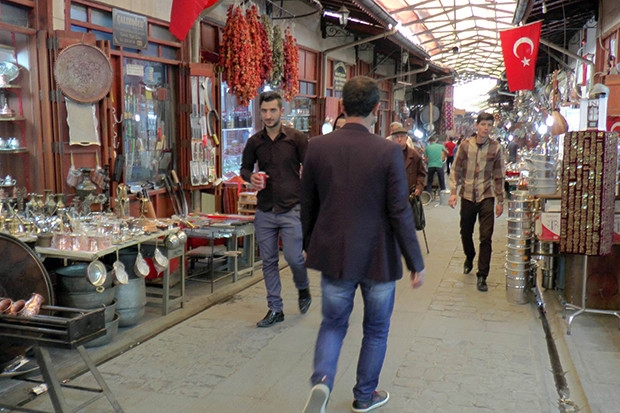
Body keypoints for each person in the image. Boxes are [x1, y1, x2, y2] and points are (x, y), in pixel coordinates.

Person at [301, 76, 426, 413]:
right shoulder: (388, 152)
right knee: (376, 328)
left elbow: (307, 203)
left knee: (332, 324)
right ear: (376, 109)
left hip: (335, 254)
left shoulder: (317, 146)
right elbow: (399, 209)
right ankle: (364, 395)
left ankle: (322, 381)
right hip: (379, 258)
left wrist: (308, 243)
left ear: (343, 107)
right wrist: (415, 261)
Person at [240, 91, 311, 327]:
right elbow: (244, 169)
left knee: (293, 257)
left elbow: (310, 171)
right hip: (265, 210)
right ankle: (275, 309)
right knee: (268, 261)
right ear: (259, 112)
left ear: (282, 111)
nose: (268, 115)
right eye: (264, 111)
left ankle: (303, 288)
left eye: (273, 110)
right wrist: (252, 178)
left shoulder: (297, 139)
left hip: (292, 208)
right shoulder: (254, 142)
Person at [448, 112, 505, 292]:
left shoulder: (496, 148)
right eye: (483, 124)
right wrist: (453, 192)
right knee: (465, 231)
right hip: (467, 195)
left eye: (489, 125)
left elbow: (499, 175)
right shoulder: (465, 146)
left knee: (486, 237)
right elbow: (455, 169)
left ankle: (482, 276)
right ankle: (469, 255)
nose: (486, 128)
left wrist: (500, 200)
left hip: (486, 196)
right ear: (477, 126)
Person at [392, 126, 426, 196]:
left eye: (402, 136)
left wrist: (419, 187)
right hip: (393, 193)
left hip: (409, 193)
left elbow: (421, 173)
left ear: (406, 138)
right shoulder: (388, 154)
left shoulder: (414, 155)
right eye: (397, 137)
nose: (399, 139)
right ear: (393, 139)